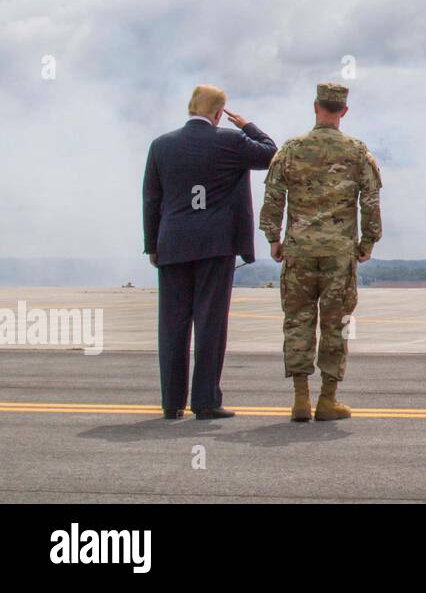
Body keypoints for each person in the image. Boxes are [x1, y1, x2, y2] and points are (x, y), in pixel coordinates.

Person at [143, 85, 277, 419]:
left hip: (172, 243)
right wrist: (246, 125)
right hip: (215, 245)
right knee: (210, 324)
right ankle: (205, 401)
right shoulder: (230, 142)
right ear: (219, 114)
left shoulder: (160, 145)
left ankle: (172, 403)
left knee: (172, 325)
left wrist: (152, 245)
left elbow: (151, 200)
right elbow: (271, 153)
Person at [260, 83, 382, 421]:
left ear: (315, 106)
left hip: (298, 251)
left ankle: (301, 398)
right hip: (339, 255)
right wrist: (367, 243)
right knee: (336, 324)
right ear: (343, 111)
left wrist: (274, 238)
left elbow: (273, 196)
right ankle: (328, 399)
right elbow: (370, 201)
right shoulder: (357, 152)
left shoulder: (291, 148)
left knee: (298, 322)